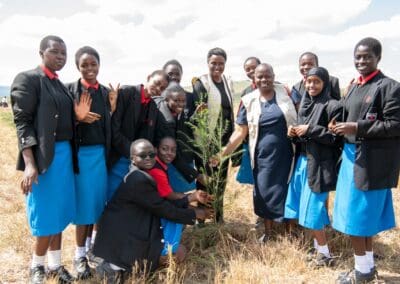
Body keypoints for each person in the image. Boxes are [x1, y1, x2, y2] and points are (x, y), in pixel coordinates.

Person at [10, 35, 85, 284]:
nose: (61, 57)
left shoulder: (60, 85)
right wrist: (30, 163)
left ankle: (55, 265)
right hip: (44, 159)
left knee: (60, 214)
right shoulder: (29, 79)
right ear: (41, 52)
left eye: (64, 53)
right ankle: (37, 266)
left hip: (64, 158)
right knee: (45, 216)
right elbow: (22, 124)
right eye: (55, 52)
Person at [330, 37, 400, 283]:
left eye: (367, 56)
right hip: (351, 159)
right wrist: (339, 123)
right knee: (360, 219)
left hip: (370, 162)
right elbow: (347, 115)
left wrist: (356, 127)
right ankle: (366, 270)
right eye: (357, 56)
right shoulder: (355, 87)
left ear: (378, 58)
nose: (361, 61)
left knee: (358, 219)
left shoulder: (390, 86)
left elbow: (394, 125)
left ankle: (361, 273)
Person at [93, 139, 212, 281]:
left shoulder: (140, 173)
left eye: (151, 154)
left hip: (131, 235)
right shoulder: (138, 179)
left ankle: (124, 267)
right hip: (124, 243)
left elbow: (161, 204)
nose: (148, 158)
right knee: (179, 253)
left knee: (178, 244)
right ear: (133, 158)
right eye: (143, 155)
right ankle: (113, 269)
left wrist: (191, 198)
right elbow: (164, 209)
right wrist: (196, 213)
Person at [215, 63, 297, 240]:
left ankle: (290, 232)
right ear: (254, 79)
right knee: (264, 191)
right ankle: (268, 233)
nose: (264, 79)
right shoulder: (248, 100)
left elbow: (302, 114)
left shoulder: (286, 94)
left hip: (287, 154)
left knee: (288, 189)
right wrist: (223, 153)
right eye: (260, 76)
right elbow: (240, 131)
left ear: (274, 76)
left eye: (268, 75)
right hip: (262, 157)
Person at [65, 46, 117, 279]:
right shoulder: (69, 91)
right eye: (84, 65)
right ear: (77, 67)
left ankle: (91, 249)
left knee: (97, 205)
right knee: (85, 208)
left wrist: (113, 108)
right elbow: (61, 126)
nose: (89, 69)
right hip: (82, 156)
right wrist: (77, 119)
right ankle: (79, 257)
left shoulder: (106, 93)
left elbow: (109, 125)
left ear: (99, 65)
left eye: (93, 64)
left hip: (100, 157)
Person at [284, 67, 342, 267]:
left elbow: (336, 138)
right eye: (309, 82)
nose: (311, 85)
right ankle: (319, 249)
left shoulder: (333, 106)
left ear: (325, 83)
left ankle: (325, 254)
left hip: (319, 164)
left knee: (313, 209)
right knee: (304, 208)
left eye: (316, 81)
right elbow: (305, 137)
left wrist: (311, 129)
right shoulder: (305, 105)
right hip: (302, 161)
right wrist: (294, 133)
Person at [147, 136, 213, 262]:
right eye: (164, 149)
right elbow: (170, 197)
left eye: (173, 150)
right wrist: (194, 201)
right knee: (180, 250)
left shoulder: (159, 165)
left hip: (155, 211)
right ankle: (164, 254)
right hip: (150, 218)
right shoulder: (156, 170)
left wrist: (194, 203)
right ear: (156, 150)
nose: (169, 153)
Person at [107, 70, 169, 201]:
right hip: (117, 156)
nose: (158, 89)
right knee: (111, 197)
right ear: (148, 77)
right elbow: (114, 129)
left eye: (162, 88)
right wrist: (134, 153)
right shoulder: (126, 93)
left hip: (135, 162)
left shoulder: (153, 106)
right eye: (157, 83)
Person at [191, 47, 235, 222]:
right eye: (213, 63)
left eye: (221, 63)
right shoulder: (201, 83)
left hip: (225, 143)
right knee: (205, 181)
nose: (217, 67)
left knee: (220, 181)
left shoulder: (227, 82)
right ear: (207, 63)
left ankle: (218, 217)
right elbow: (199, 113)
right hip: (207, 142)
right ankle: (201, 218)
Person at [155, 82, 206, 192]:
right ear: (167, 99)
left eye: (183, 101)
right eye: (176, 101)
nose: (181, 104)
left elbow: (183, 126)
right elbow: (171, 154)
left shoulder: (173, 108)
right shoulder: (167, 121)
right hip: (163, 159)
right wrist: (198, 176)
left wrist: (196, 116)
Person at [235, 56, 261, 185]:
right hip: (251, 141)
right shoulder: (246, 92)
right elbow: (241, 119)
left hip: (269, 142)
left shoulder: (277, 88)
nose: (251, 71)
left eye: (253, 67)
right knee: (254, 179)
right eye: (247, 69)